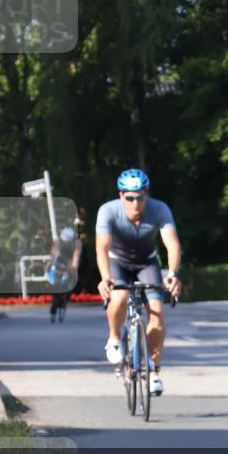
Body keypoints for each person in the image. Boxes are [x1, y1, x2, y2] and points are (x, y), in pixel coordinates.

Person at [95, 169, 182, 396]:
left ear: (147, 195)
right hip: (118, 262)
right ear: (121, 195)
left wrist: (173, 273)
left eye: (140, 197)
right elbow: (102, 247)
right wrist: (105, 277)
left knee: (157, 314)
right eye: (130, 197)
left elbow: (172, 243)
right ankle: (115, 338)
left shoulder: (159, 209)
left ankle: (153, 372)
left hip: (147, 263)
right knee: (119, 296)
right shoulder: (108, 211)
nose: (136, 203)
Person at [47, 226, 81, 321]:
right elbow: (53, 254)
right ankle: (54, 302)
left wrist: (73, 269)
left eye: (68, 241)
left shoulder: (77, 243)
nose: (66, 243)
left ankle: (65, 299)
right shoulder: (58, 241)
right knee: (54, 283)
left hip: (69, 261)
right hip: (59, 260)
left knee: (72, 282)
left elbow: (76, 257)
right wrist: (50, 264)